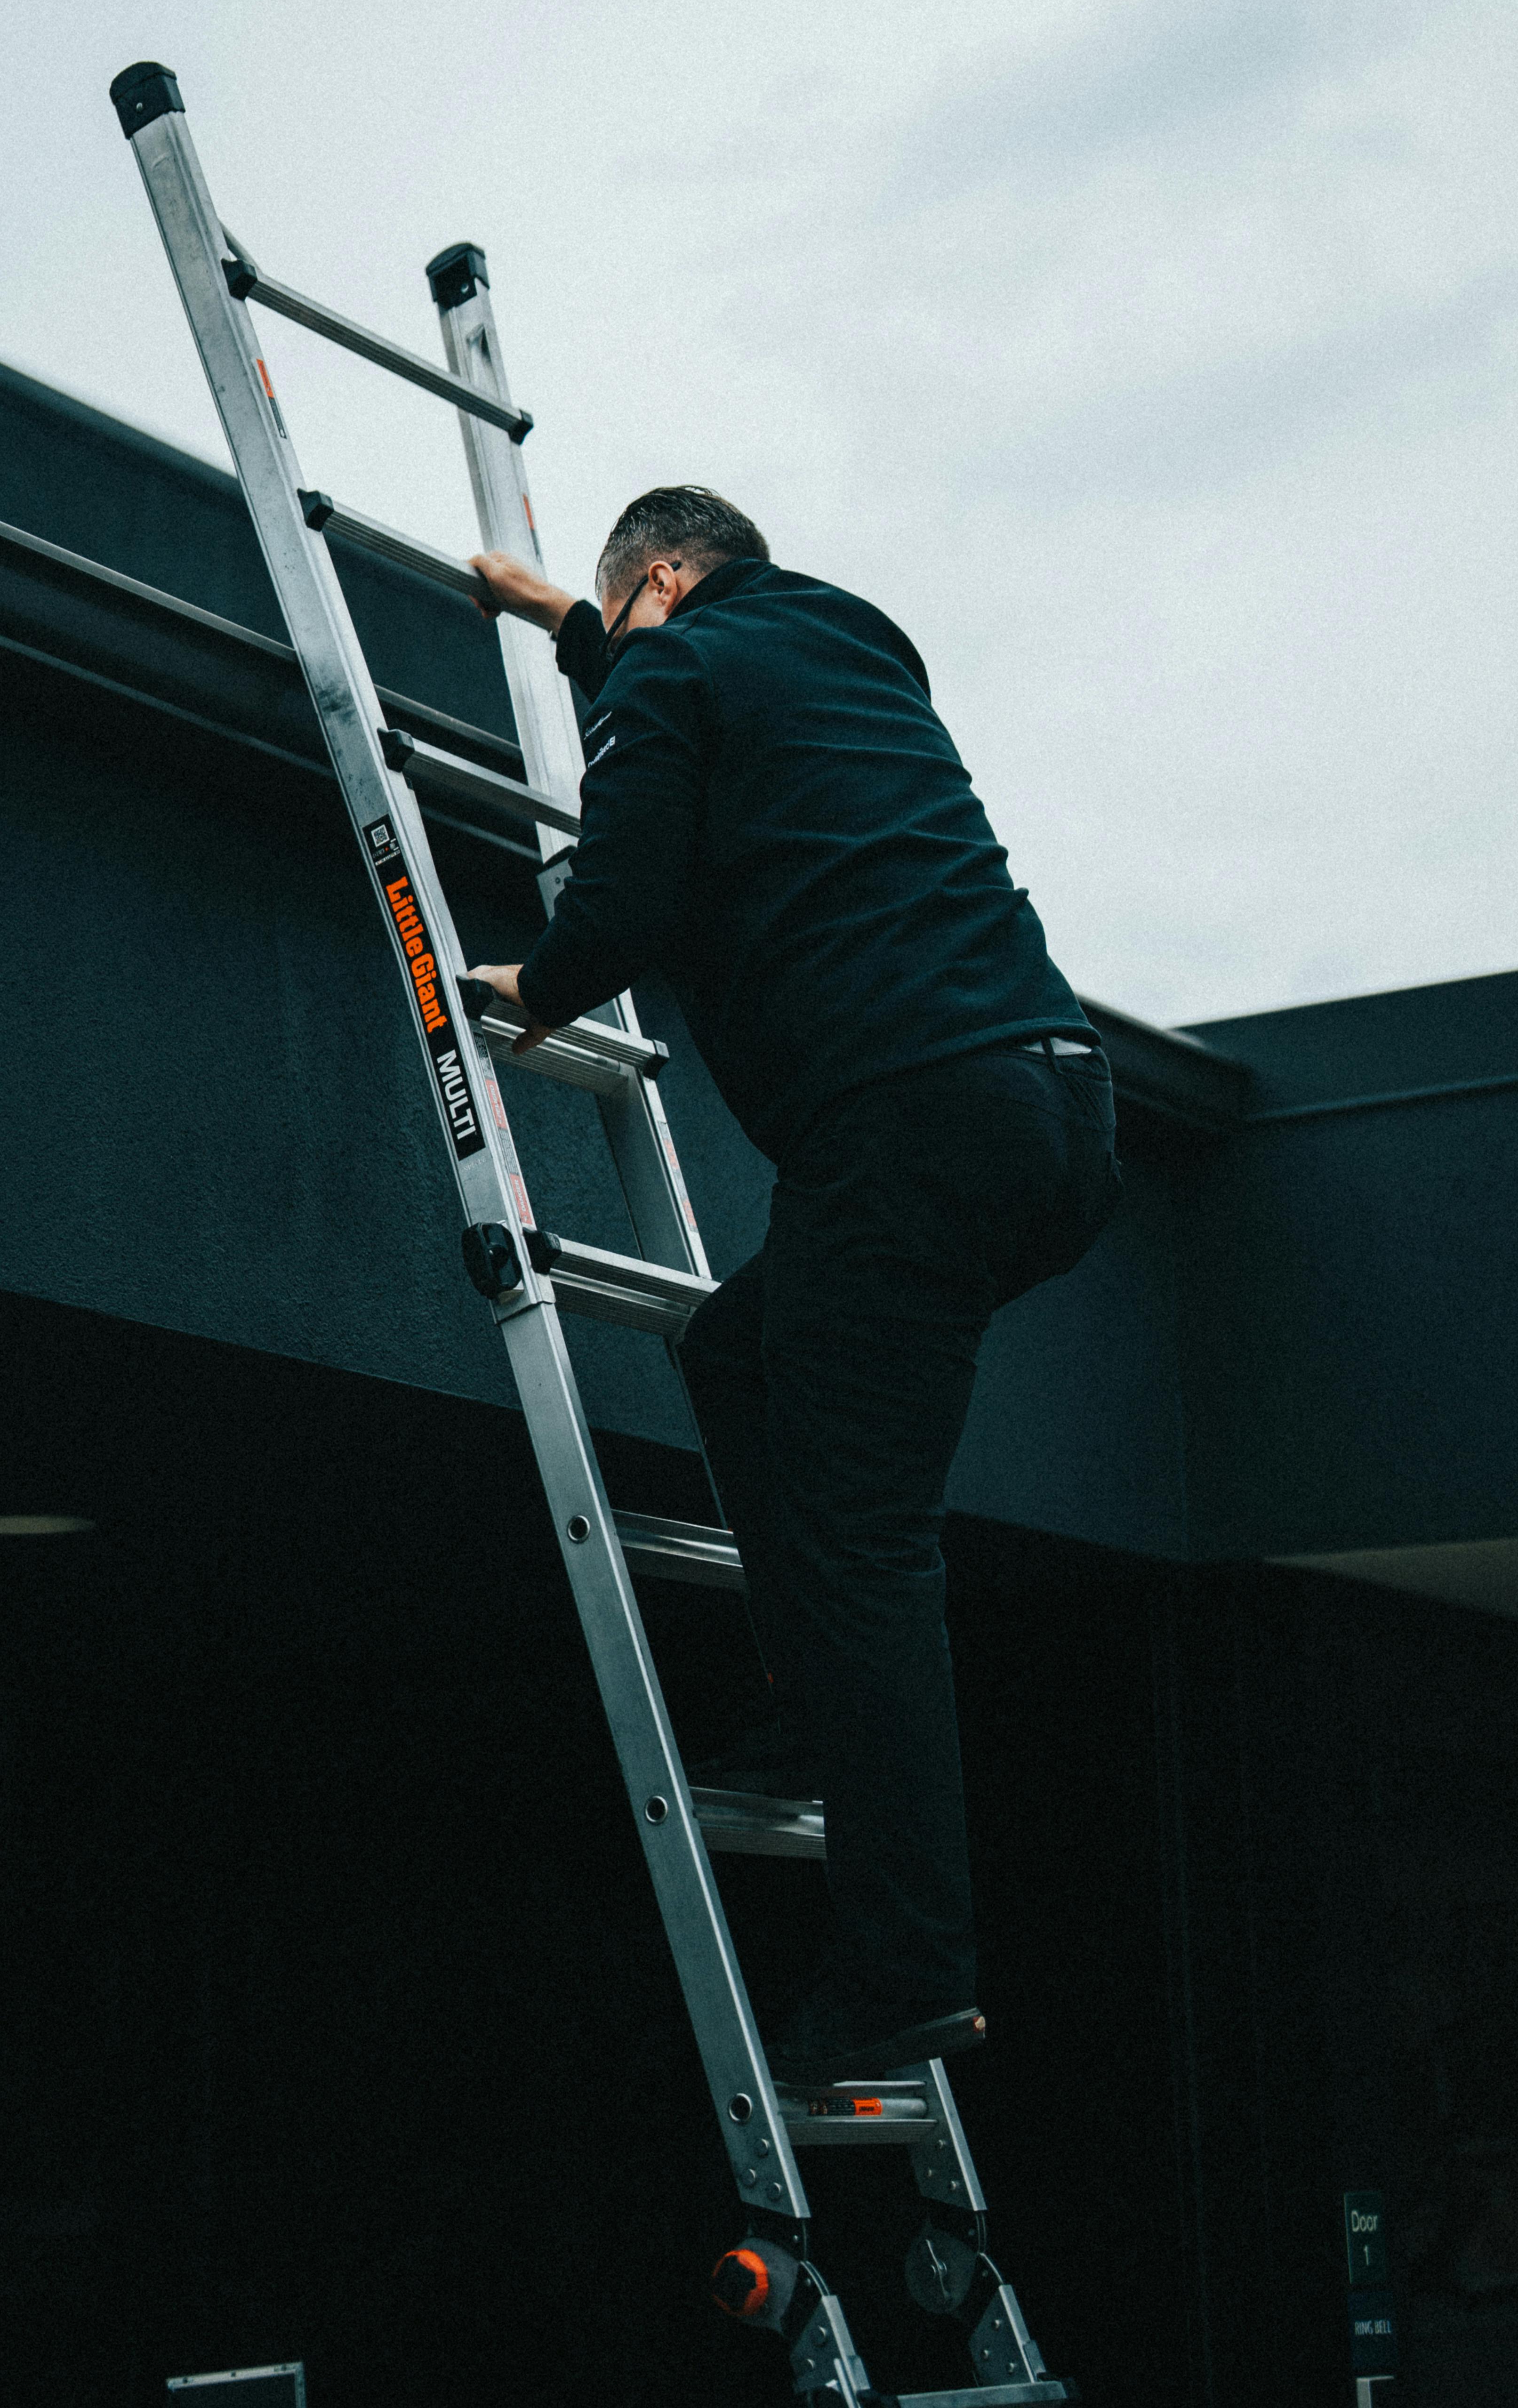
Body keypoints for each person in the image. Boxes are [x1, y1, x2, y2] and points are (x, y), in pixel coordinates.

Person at [467, 487, 1118, 2087]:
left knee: (868, 1548)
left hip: (911, 1124)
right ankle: (800, 1698)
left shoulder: (676, 673)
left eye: (623, 620)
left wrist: (525, 988)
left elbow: (618, 897)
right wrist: (571, 623)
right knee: (744, 1356)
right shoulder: (849, 641)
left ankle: (906, 1974)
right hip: (1053, 1113)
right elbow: (695, 681)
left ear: (667, 586)